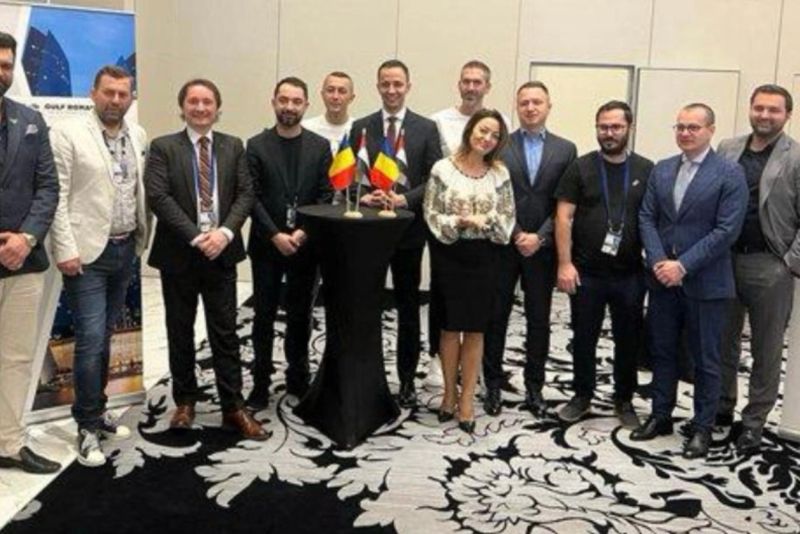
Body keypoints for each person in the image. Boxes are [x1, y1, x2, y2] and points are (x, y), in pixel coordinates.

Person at [145, 78, 268, 440]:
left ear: (217, 108)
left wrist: (224, 233)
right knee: (179, 330)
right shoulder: (163, 147)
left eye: (207, 102)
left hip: (221, 253)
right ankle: (184, 402)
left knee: (225, 332)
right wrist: (197, 237)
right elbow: (158, 196)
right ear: (182, 107)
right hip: (179, 253)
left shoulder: (233, 146)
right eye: (193, 102)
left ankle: (233, 407)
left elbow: (246, 193)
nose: (200, 108)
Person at [633, 103, 747, 459]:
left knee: (706, 359)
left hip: (706, 282)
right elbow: (647, 217)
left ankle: (702, 427)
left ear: (711, 130)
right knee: (663, 350)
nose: (685, 133)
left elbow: (726, 230)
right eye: (680, 127)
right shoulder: (663, 168)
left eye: (693, 127)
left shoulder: (730, 173)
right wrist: (659, 261)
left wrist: (682, 266)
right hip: (662, 281)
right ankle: (661, 415)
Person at [50, 65, 148, 466]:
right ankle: (87, 425)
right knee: (90, 339)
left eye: (123, 94)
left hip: (125, 249)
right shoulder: (68, 133)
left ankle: (99, 407)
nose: (116, 100)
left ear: (131, 98)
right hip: (87, 254)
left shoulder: (137, 135)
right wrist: (65, 248)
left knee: (106, 336)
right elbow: (56, 194)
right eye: (109, 92)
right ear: (93, 93)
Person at [554, 101, 653, 429]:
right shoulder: (580, 167)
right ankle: (582, 395)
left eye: (616, 127)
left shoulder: (646, 169)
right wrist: (565, 264)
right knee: (584, 337)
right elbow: (564, 217)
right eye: (603, 127)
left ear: (629, 128)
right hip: (587, 272)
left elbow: (653, 218)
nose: (609, 133)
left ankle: (624, 399)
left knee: (628, 338)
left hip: (630, 274)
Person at [351, 59, 442, 408]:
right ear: (378, 86)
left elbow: (433, 178)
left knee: (407, 308)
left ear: (408, 86)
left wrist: (404, 199)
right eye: (385, 84)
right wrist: (364, 196)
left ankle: (406, 380)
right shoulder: (361, 126)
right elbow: (350, 177)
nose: (391, 90)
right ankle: (367, 376)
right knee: (367, 306)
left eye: (397, 84)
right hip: (370, 234)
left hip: (408, 232)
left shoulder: (426, 128)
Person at [483, 81, 577, 417]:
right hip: (504, 245)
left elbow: (565, 202)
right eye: (524, 102)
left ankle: (534, 388)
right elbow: (492, 196)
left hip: (543, 249)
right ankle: (492, 386)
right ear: (517, 106)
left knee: (539, 320)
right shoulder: (499, 146)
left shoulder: (565, 149)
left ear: (549, 106)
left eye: (537, 102)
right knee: (496, 317)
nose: (531, 108)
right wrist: (517, 233)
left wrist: (540, 237)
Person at [717, 84, 800, 453]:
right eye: (759, 108)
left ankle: (753, 423)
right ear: (750, 109)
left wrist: (789, 263)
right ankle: (721, 408)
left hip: (770, 263)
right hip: (724, 261)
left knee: (766, 349)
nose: (764, 115)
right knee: (723, 341)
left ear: (787, 115)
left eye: (773, 110)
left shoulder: (796, 156)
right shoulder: (727, 148)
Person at [424, 108, 514, 433]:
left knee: (476, 330)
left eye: (494, 135)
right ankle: (449, 394)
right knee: (449, 328)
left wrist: (484, 221)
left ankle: (467, 400)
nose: (487, 138)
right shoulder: (442, 168)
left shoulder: (499, 173)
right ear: (470, 130)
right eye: (482, 131)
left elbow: (507, 219)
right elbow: (431, 213)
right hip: (450, 255)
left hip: (485, 258)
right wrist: (458, 221)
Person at [246, 77, 332, 410]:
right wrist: (275, 235)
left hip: (305, 246)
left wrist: (303, 232)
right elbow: (251, 197)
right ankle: (260, 382)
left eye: (296, 101)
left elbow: (325, 195)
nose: (289, 107)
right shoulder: (256, 145)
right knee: (263, 316)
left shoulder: (320, 147)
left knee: (300, 315)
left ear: (306, 105)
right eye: (284, 100)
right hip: (267, 245)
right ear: (274, 102)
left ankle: (298, 377)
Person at [0, 31, 61, 475]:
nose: (0, 72)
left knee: (17, 359)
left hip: (23, 260)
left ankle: (9, 442)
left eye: (6, 65)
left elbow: (48, 187)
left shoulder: (30, 120)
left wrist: (27, 238)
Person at [302, 71, 355, 154]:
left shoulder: (358, 130)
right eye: (330, 90)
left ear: (351, 98)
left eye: (342, 91)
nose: (335, 97)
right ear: (322, 94)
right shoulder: (306, 128)